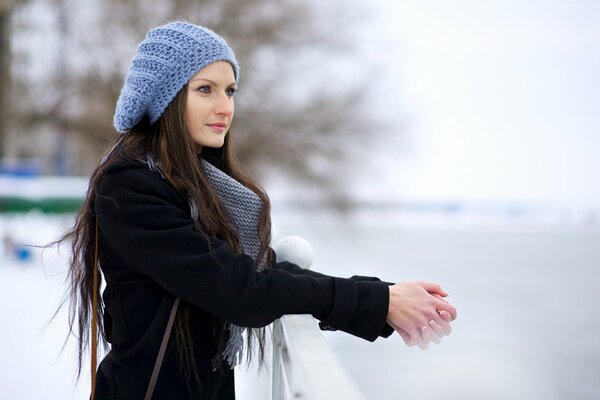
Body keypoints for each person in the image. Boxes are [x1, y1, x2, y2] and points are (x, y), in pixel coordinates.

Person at [60, 21, 457, 399]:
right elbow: (239, 288)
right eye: (205, 89)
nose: (224, 107)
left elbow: (259, 270)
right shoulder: (130, 187)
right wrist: (378, 302)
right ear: (164, 97)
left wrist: (383, 298)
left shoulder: (196, 185)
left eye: (230, 91)